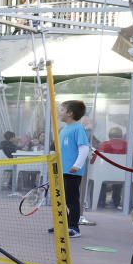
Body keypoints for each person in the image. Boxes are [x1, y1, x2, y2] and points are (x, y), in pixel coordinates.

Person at [58, 100, 89, 238]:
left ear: (70, 113)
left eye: (62, 110)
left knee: (72, 200)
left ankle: (74, 228)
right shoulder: (63, 129)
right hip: (61, 171)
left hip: (72, 172)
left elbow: (84, 148)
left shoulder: (78, 128)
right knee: (61, 200)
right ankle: (62, 225)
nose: (60, 112)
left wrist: (77, 165)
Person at [96, 126, 127, 209]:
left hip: (106, 173)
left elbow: (96, 158)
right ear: (121, 136)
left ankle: (101, 201)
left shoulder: (104, 144)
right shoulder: (128, 145)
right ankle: (116, 201)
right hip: (123, 174)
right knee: (118, 181)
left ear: (109, 136)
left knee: (101, 181)